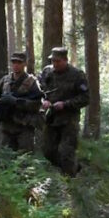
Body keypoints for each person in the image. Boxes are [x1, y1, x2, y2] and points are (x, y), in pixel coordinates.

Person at [39, 47, 89, 175]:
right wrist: (43, 101)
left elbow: (85, 98)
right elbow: (38, 90)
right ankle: (74, 167)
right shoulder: (46, 72)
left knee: (67, 151)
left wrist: (65, 104)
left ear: (65, 60)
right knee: (48, 151)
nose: (55, 64)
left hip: (69, 119)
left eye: (58, 61)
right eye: (53, 61)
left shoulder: (77, 75)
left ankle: (69, 182)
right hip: (51, 118)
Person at [0, 52, 43, 152]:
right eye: (14, 62)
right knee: (5, 158)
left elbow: (36, 104)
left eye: (19, 62)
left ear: (25, 64)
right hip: (7, 126)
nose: (16, 65)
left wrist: (16, 102)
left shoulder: (31, 82)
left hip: (24, 126)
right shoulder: (5, 80)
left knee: (24, 159)